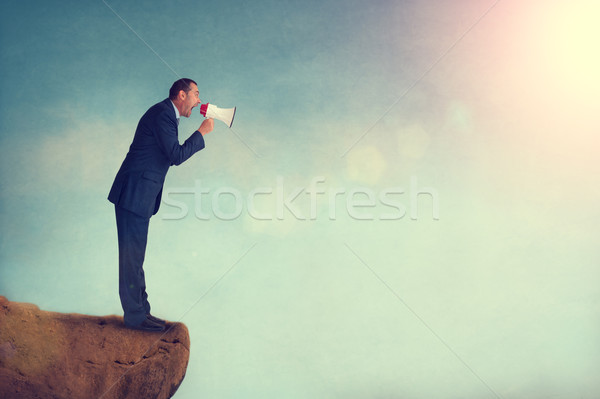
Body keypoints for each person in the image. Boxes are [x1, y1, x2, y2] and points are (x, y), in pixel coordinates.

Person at [108, 78, 214, 332]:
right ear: (181, 95)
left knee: (136, 256)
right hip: (133, 194)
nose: (199, 100)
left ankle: (141, 310)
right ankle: (135, 316)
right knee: (131, 258)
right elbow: (175, 155)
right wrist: (201, 133)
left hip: (138, 194)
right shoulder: (163, 115)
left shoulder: (167, 115)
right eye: (196, 94)